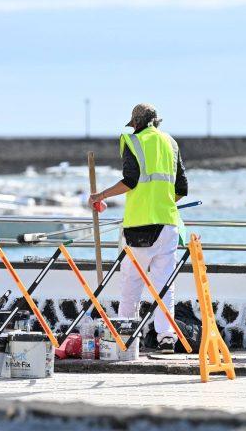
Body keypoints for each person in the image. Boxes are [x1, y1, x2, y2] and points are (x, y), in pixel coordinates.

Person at [88, 103, 188, 352]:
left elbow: (130, 181)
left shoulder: (132, 141)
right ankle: (166, 337)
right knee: (164, 284)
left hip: (138, 227)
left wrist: (101, 195)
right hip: (168, 224)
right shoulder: (171, 143)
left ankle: (128, 336)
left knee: (131, 283)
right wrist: (162, 203)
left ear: (136, 123)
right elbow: (182, 188)